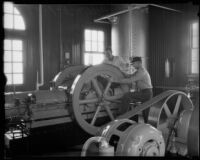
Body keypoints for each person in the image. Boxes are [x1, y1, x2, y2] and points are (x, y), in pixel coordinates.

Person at [110, 56, 153, 122]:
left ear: (139, 63)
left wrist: (115, 80)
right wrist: (120, 72)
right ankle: (146, 124)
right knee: (145, 112)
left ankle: (122, 114)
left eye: (133, 63)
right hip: (145, 92)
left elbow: (130, 80)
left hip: (146, 93)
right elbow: (129, 76)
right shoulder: (139, 71)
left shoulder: (141, 72)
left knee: (127, 96)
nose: (132, 65)